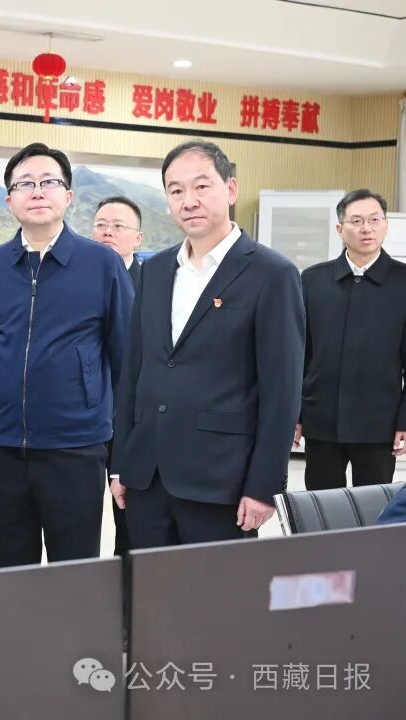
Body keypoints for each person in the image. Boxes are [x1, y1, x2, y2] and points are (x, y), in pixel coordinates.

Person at [112, 140, 304, 548]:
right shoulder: (155, 270)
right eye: (176, 190)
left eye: (201, 186)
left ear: (230, 189)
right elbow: (134, 371)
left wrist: (264, 484)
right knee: (151, 587)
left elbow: (282, 389)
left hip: (222, 481)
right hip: (147, 476)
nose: (189, 200)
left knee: (217, 589)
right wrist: (121, 463)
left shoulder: (272, 273)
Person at [0, 143, 133, 568]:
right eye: (25, 184)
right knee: (6, 574)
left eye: (49, 182)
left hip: (76, 447)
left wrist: (122, 455)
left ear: (69, 196)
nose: (37, 191)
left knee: (73, 573)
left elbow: (126, 360)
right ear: (9, 200)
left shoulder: (102, 264)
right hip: (2, 448)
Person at [296, 189, 406, 490]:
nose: (366, 228)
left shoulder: (402, 282)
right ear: (340, 229)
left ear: (386, 225)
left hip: (379, 424)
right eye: (356, 221)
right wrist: (296, 413)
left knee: (372, 508)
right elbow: (299, 355)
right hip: (321, 420)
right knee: (320, 504)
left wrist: (404, 420)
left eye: (374, 220)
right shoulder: (312, 280)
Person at [91, 195, 145, 556]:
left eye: (117, 226)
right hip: (89, 415)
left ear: (137, 238)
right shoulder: (79, 279)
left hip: (135, 417)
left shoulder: (154, 282)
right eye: (100, 225)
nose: (107, 232)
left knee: (130, 514)